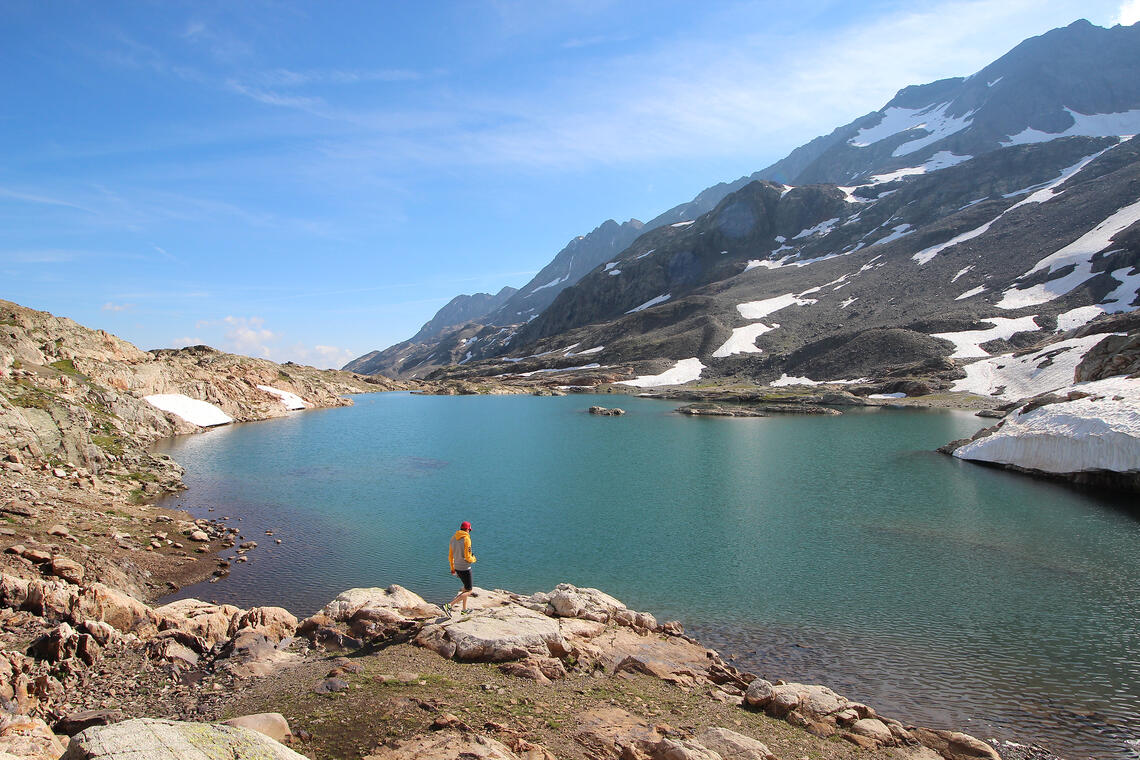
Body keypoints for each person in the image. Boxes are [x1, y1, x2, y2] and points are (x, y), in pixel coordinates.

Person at [444, 520, 477, 614]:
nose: (469, 532)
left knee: (465, 588)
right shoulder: (466, 539)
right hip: (465, 568)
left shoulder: (453, 538)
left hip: (457, 567)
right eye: (469, 530)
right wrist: (473, 559)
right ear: (467, 529)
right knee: (469, 590)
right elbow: (468, 556)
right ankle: (449, 605)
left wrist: (452, 568)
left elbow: (450, 556)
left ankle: (464, 610)